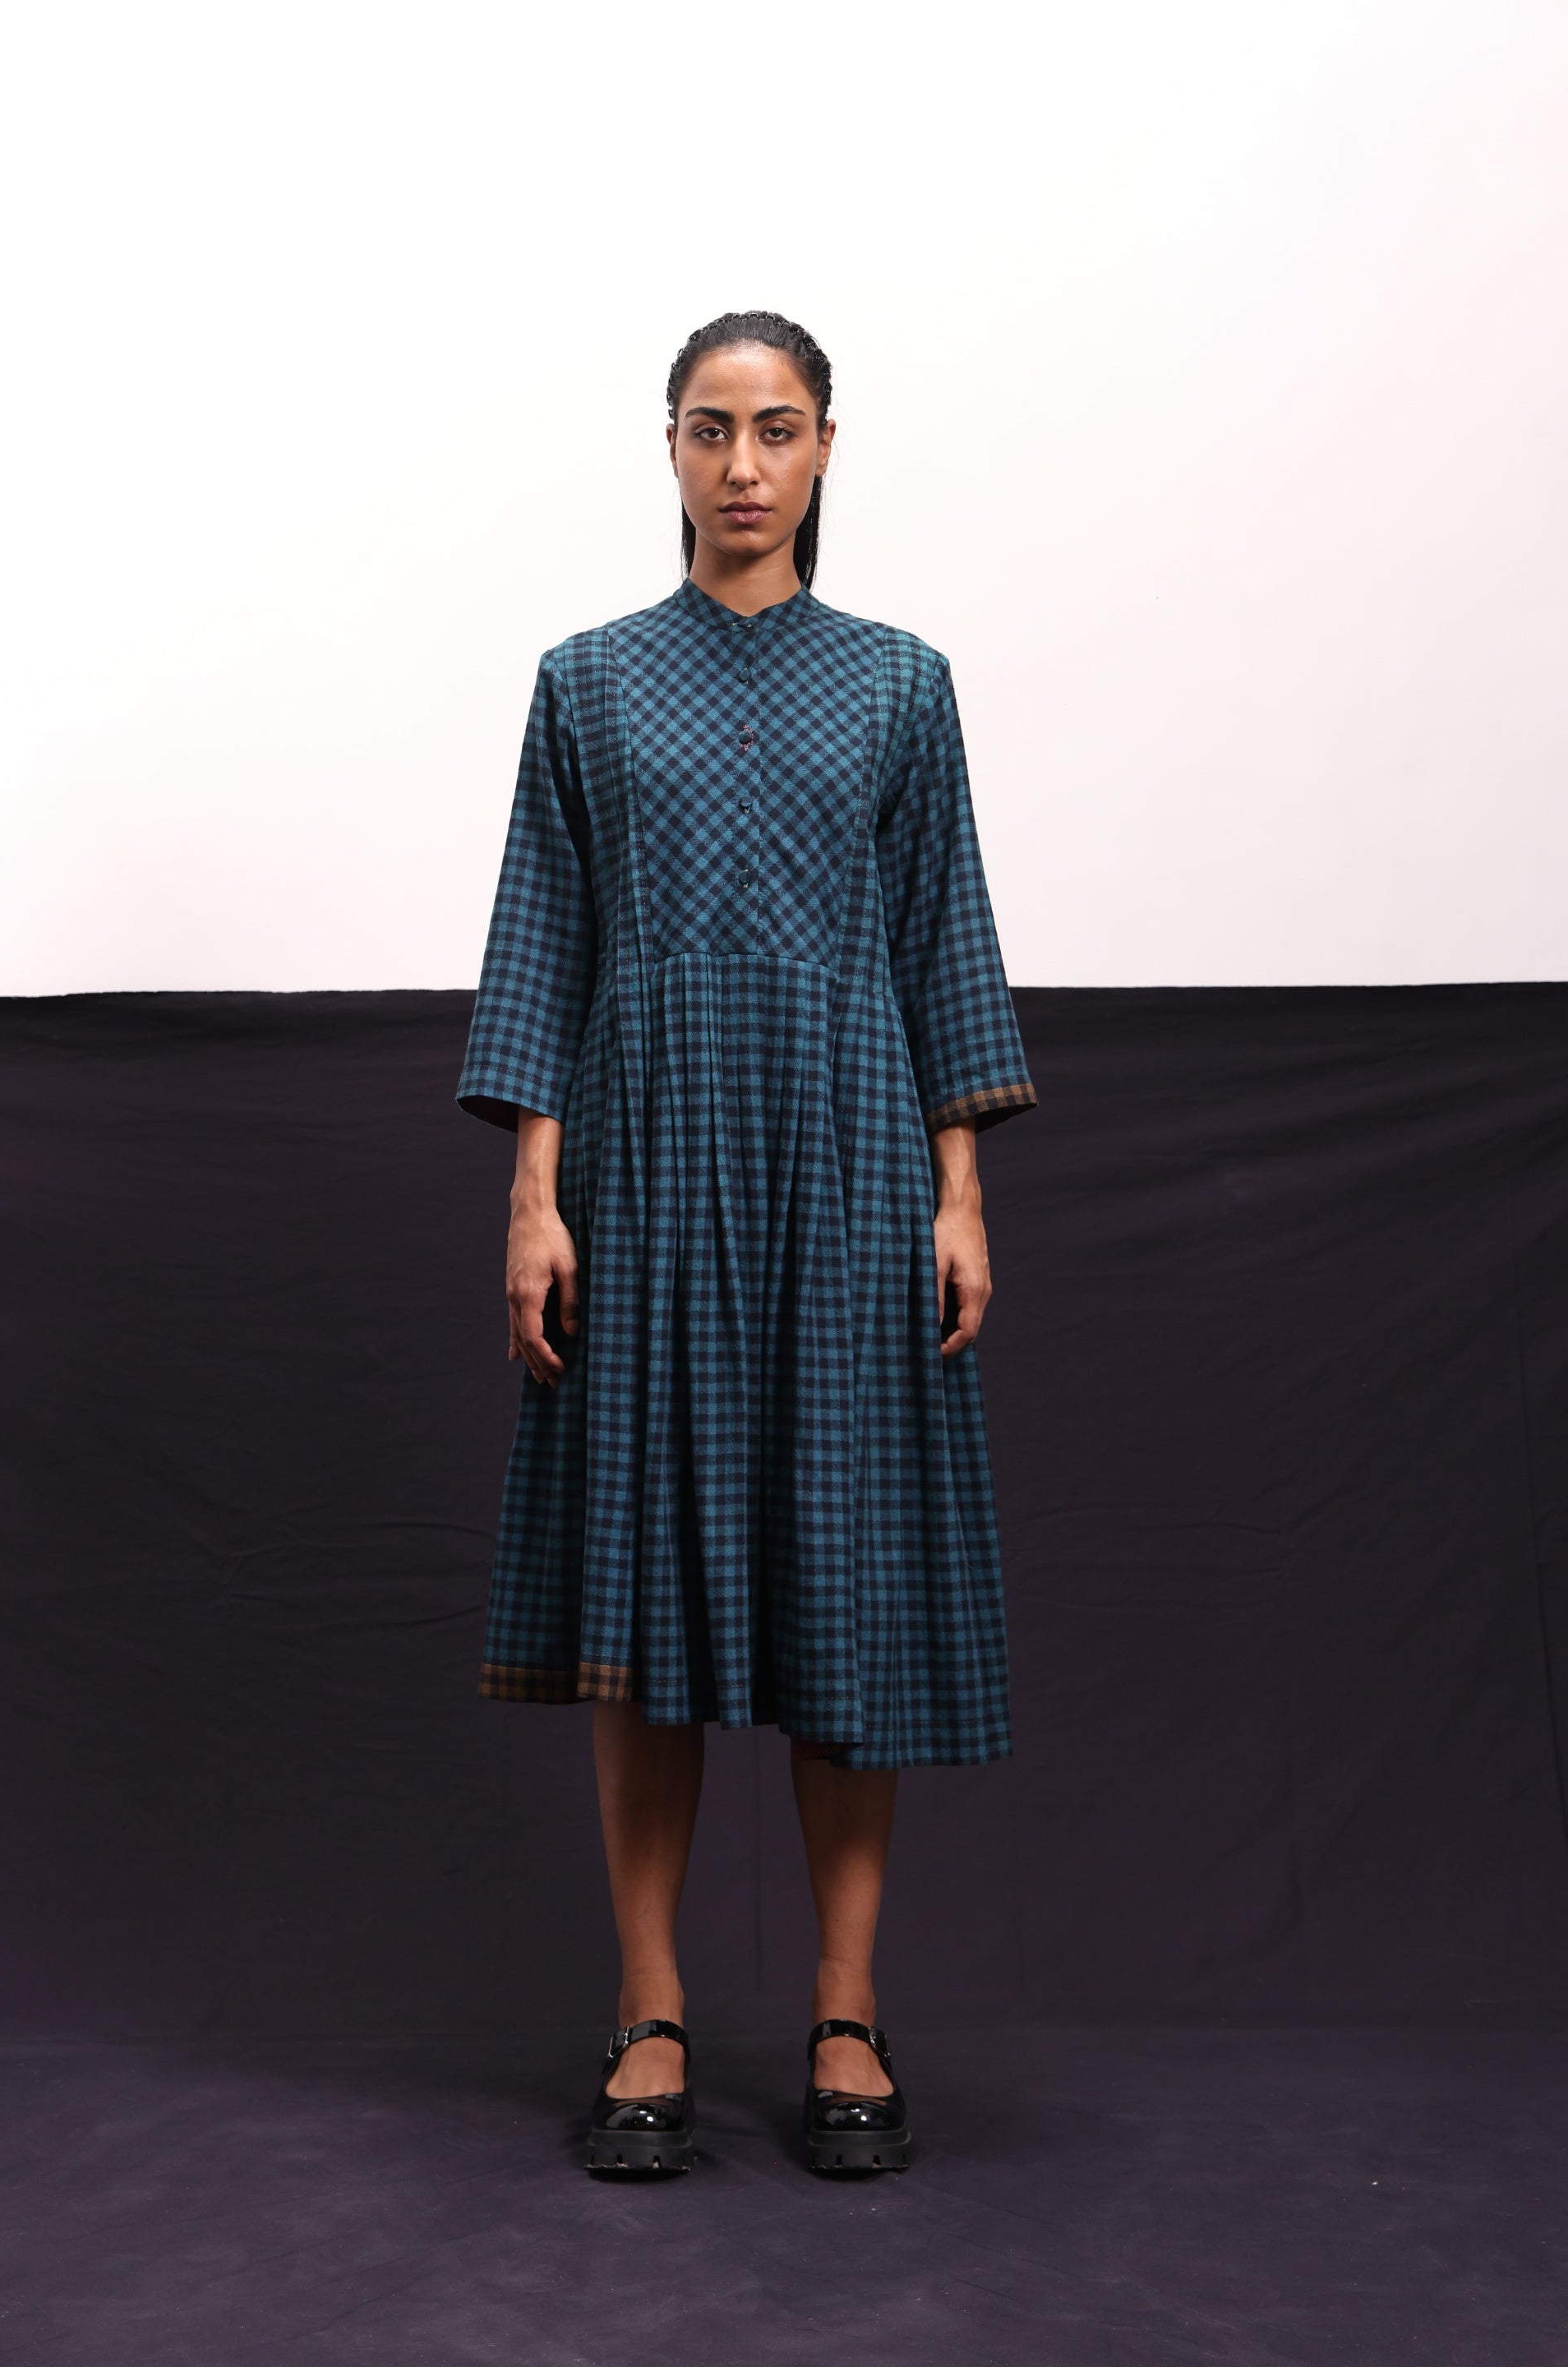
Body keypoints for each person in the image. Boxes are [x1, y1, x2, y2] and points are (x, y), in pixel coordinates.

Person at [457, 310, 1035, 2175]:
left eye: (777, 429)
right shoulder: (586, 683)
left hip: (851, 1156)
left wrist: (959, 1191)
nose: (743, 466)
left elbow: (943, 933)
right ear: (670, 450)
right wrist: (534, 1197)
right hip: (639, 1158)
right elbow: (546, 937)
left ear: (827, 449)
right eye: (711, 430)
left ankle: (846, 2012)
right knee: (646, 1595)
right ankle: (651, 2008)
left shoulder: (902, 686)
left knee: (839, 1574)